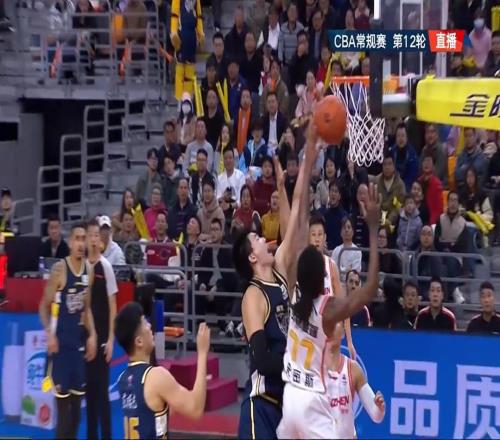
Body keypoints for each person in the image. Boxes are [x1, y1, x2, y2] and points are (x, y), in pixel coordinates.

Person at [232, 123, 318, 439]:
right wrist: (296, 361)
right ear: (252, 258)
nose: (263, 239)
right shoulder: (253, 296)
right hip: (261, 405)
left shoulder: (280, 273)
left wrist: (286, 185)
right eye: (256, 239)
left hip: (284, 405)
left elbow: (292, 230)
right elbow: (261, 358)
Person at [277, 181, 381, 439]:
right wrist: (373, 228)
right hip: (313, 400)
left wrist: (303, 173)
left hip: (293, 396)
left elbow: (292, 234)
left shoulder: (294, 296)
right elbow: (368, 290)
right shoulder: (326, 312)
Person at [115, 303, 210, 439]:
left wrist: (197, 385)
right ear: (139, 341)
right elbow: (195, 409)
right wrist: (202, 352)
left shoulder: (123, 379)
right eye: (145, 323)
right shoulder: (156, 376)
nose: (150, 326)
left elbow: (154, 413)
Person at [38, 223, 97, 439]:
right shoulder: (59, 270)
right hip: (60, 348)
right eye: (77, 239)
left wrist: (93, 335)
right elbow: (43, 306)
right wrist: (49, 333)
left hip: (77, 348)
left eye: (84, 239)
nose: (81, 243)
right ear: (70, 243)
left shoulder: (89, 271)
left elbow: (86, 309)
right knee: (63, 416)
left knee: (76, 416)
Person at [85, 219, 117, 440]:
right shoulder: (80, 267)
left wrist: (111, 340)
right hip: (86, 338)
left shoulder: (105, 266)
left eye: (97, 235)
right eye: (91, 235)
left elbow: (113, 305)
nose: (94, 239)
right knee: (89, 393)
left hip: (103, 336)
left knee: (102, 393)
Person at [326, 322, 385, 439]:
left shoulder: (353, 369)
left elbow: (376, 415)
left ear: (343, 332)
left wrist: (380, 409)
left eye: (335, 321)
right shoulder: (310, 368)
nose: (330, 327)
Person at [308, 215, 356, 358]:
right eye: (313, 235)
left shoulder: (331, 266)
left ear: (325, 238)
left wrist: (349, 342)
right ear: (308, 238)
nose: (317, 239)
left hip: (327, 335)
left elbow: (343, 307)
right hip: (308, 334)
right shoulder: (303, 265)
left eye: (320, 235)